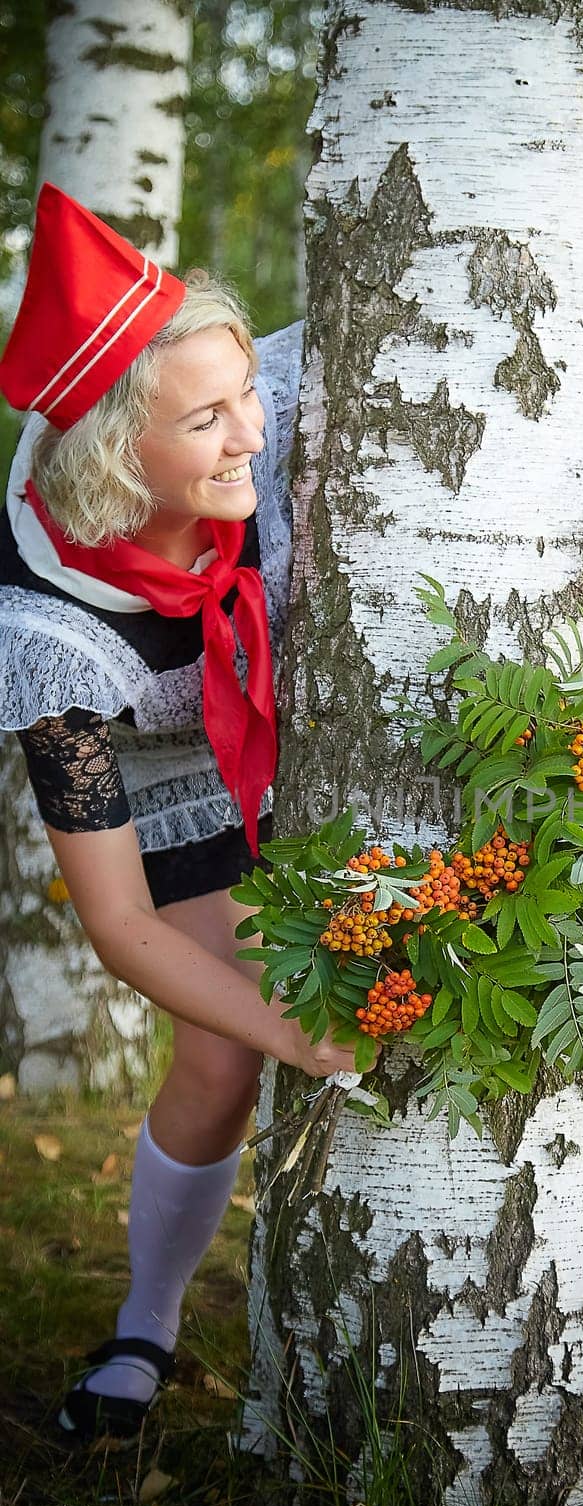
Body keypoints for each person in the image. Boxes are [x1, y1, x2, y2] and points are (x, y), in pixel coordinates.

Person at [0, 184, 359, 1441]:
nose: (248, 432)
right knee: (223, 1052)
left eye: (244, 391)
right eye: (204, 420)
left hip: (299, 708)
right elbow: (115, 922)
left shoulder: (271, 388)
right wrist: (294, 1033)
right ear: (110, 452)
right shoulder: (52, 636)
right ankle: (146, 1322)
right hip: (163, 755)